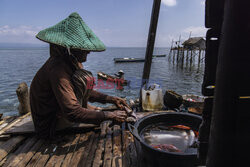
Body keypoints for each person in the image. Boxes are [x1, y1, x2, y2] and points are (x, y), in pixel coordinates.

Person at [30, 12, 129, 139]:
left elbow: (88, 91)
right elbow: (73, 113)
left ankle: (90, 108)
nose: (88, 51)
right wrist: (109, 116)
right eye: (84, 48)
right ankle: (90, 109)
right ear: (70, 49)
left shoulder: (71, 62)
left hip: (60, 112)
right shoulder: (58, 70)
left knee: (85, 79)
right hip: (50, 125)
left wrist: (112, 99)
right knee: (84, 79)